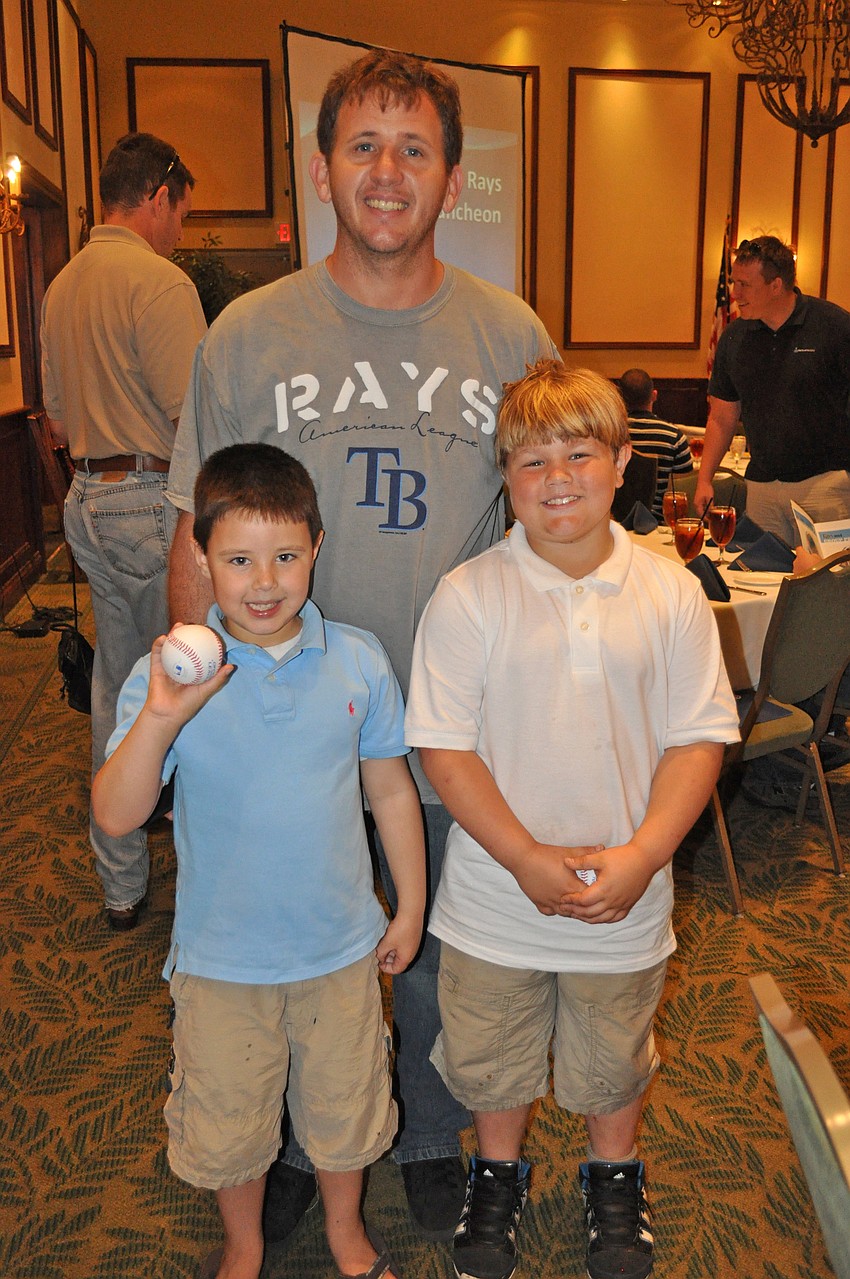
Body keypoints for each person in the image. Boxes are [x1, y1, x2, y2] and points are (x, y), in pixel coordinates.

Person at [165, 48, 559, 1241]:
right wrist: (194, 697)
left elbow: (547, 521)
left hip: (455, 719)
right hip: (284, 714)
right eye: (363, 146)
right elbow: (198, 527)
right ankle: (287, 1138)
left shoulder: (509, 335)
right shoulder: (246, 333)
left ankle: (435, 1130)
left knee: (441, 937)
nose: (388, 172)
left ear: (451, 179)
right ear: (322, 171)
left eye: (416, 149)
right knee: (289, 943)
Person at [404, 361, 739, 1279]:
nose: (557, 478)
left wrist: (642, 855)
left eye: (579, 454)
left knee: (613, 1056)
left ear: (623, 460)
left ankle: (614, 1174)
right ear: (505, 477)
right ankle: (498, 1171)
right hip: (493, 896)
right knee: (491, 1055)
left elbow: (697, 741)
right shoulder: (468, 594)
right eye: (531, 461)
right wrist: (520, 855)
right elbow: (445, 749)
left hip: (627, 893)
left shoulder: (670, 593)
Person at [92, 443, 426, 1279]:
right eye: (238, 559)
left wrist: (410, 904)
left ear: (317, 546)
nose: (265, 580)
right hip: (221, 957)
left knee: (345, 1107)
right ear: (203, 558)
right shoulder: (165, 675)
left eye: (284, 555)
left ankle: (347, 1231)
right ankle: (244, 1245)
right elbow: (116, 812)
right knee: (230, 1120)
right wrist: (164, 716)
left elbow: (389, 792)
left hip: (339, 947)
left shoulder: (357, 658)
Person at [41, 132, 206, 931]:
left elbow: (60, 419)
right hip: (150, 500)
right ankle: (209, 870)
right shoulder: (159, 283)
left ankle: (120, 881)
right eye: (183, 210)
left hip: (85, 500)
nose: (182, 229)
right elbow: (195, 423)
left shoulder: (60, 286)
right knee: (183, 686)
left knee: (116, 686)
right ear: (159, 193)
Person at [696, 235, 850, 543]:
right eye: (733, 283)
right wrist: (704, 479)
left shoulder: (834, 326)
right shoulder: (734, 337)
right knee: (759, 578)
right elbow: (722, 418)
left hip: (825, 486)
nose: (735, 294)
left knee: (828, 584)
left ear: (776, 285)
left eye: (745, 285)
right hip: (762, 488)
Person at [618, 368, 693, 516]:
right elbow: (684, 489)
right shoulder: (674, 437)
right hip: (661, 524)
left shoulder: (608, 434)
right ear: (654, 395)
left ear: (619, 397)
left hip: (613, 522)